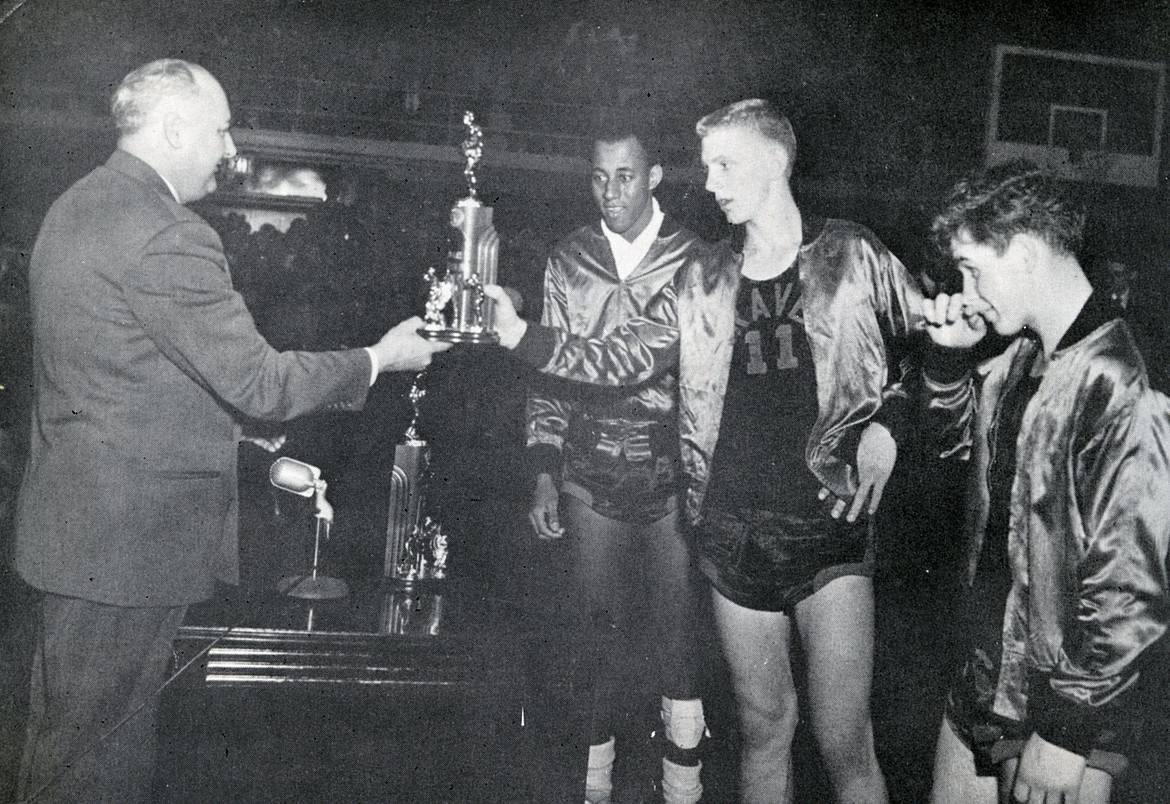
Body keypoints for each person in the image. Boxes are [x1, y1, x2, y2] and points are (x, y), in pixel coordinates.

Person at [13, 58, 449, 803]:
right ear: (176, 127)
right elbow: (264, 383)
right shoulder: (167, 234)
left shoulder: (76, 206)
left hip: (77, 533)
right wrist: (382, 357)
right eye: (219, 128)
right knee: (99, 767)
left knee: (62, 747)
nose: (229, 147)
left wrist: (236, 441)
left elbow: (115, 374)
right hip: (128, 551)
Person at [488, 98, 921, 803]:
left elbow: (926, 338)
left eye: (727, 164)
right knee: (762, 730)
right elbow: (623, 359)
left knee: (844, 738)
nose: (711, 183)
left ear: (776, 162)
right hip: (730, 528)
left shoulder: (850, 253)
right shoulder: (703, 274)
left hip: (827, 521)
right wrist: (520, 336)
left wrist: (889, 425)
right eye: (708, 166)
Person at [921, 160, 1170, 803]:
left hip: (1060, 707)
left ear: (1027, 253)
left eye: (975, 269)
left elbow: (1131, 584)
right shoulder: (1019, 362)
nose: (968, 291)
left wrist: (1065, 732)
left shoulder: (1122, 383)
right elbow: (955, 477)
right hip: (985, 680)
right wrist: (948, 367)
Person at [524, 122, 706, 804]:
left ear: (655, 175)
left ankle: (683, 789)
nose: (610, 191)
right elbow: (549, 376)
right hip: (589, 468)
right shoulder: (568, 258)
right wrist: (542, 468)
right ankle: (593, 790)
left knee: (679, 639)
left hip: (673, 471)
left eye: (624, 175)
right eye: (598, 177)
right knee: (591, 639)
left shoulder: (696, 258)